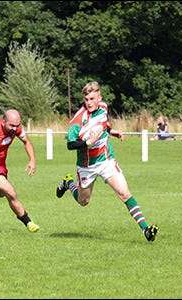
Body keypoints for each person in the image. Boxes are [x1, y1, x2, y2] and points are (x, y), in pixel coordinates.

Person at [55, 81, 159, 242]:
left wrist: (112, 131)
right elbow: (70, 144)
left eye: (92, 99)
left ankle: (145, 229)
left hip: (106, 160)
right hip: (86, 166)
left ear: (99, 98)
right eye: (86, 99)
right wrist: (86, 143)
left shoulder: (103, 107)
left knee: (124, 193)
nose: (89, 103)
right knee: (84, 201)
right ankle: (69, 183)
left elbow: (103, 123)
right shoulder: (78, 120)